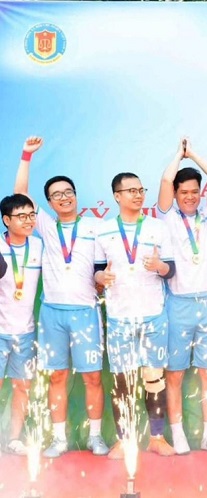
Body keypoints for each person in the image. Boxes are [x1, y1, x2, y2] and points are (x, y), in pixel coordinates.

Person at [13, 137, 109, 458]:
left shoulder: (95, 226)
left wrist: (103, 279)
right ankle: (59, 439)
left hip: (85, 312)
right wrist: (26, 155)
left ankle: (96, 436)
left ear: (76, 196)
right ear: (49, 204)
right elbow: (20, 194)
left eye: (68, 192)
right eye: (57, 195)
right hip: (52, 313)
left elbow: (99, 270)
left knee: (92, 377)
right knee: (57, 375)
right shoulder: (45, 226)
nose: (64, 198)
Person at [94, 172, 176, 459]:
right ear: (117, 196)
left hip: (153, 315)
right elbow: (97, 271)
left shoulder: (158, 227)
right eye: (131, 190)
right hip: (119, 316)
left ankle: (157, 437)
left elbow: (171, 270)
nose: (138, 195)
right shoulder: (103, 230)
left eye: (141, 190)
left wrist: (159, 267)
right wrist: (101, 277)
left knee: (155, 379)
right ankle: (124, 440)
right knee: (122, 382)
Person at [156, 138, 207, 454]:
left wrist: (194, 155)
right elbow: (165, 181)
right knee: (175, 374)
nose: (190, 197)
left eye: (194, 191)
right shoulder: (167, 217)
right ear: (175, 194)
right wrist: (178, 154)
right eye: (183, 192)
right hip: (178, 304)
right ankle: (178, 434)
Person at [0, 194, 42, 455]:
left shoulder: (38, 245)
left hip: (25, 333)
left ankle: (14, 439)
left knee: (22, 387)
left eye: (31, 215)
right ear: (7, 220)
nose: (28, 221)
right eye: (21, 216)